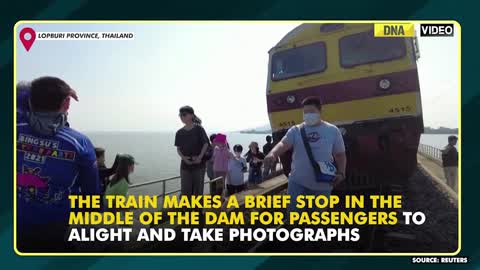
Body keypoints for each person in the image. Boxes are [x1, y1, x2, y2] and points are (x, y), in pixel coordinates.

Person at [16, 76, 99, 252]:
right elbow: (92, 195)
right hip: (55, 227)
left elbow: (19, 96)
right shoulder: (80, 143)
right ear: (67, 105)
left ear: (29, 102)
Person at [264, 96, 347, 213]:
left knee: (318, 219)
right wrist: (273, 153)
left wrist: (341, 172)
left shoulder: (332, 130)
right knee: (293, 216)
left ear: (320, 111)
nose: (308, 115)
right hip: (297, 183)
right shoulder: (296, 130)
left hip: (322, 186)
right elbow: (283, 143)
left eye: (311, 112)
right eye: (305, 112)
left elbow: (340, 154)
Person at [174, 105, 209, 196]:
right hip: (185, 165)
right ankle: (186, 210)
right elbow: (178, 149)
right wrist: (185, 159)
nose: (182, 117)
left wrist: (200, 158)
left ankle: (197, 210)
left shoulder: (199, 129)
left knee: (198, 191)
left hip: (199, 165)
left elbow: (206, 144)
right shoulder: (179, 132)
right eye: (180, 115)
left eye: (184, 114)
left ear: (192, 115)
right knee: (185, 191)